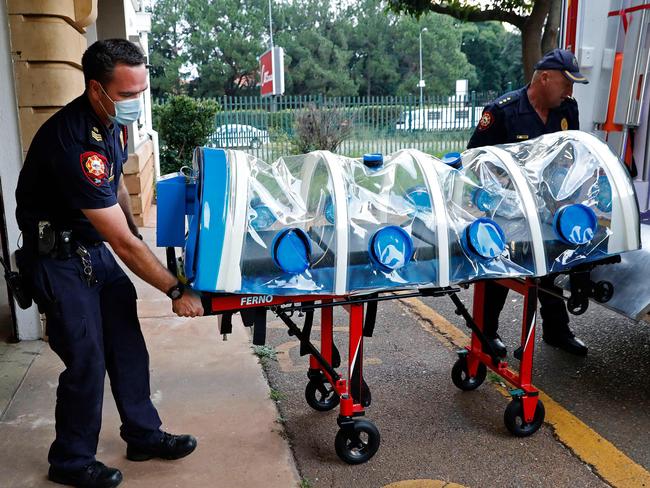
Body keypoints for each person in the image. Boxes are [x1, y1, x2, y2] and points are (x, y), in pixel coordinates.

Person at [15, 39, 204, 488]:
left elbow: (116, 187)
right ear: (97, 90)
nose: (136, 102)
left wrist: (136, 233)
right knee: (86, 358)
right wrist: (175, 289)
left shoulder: (110, 126)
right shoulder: (73, 141)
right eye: (127, 95)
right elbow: (118, 239)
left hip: (92, 251)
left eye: (141, 92)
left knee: (127, 346)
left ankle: (143, 434)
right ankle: (70, 460)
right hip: (58, 261)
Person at [467, 48, 589, 357]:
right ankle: (485, 335)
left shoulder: (566, 110)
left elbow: (571, 155)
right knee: (500, 270)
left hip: (548, 205)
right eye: (567, 84)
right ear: (545, 78)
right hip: (507, 210)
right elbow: (475, 161)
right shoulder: (502, 112)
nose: (570, 92)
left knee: (550, 264)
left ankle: (556, 330)